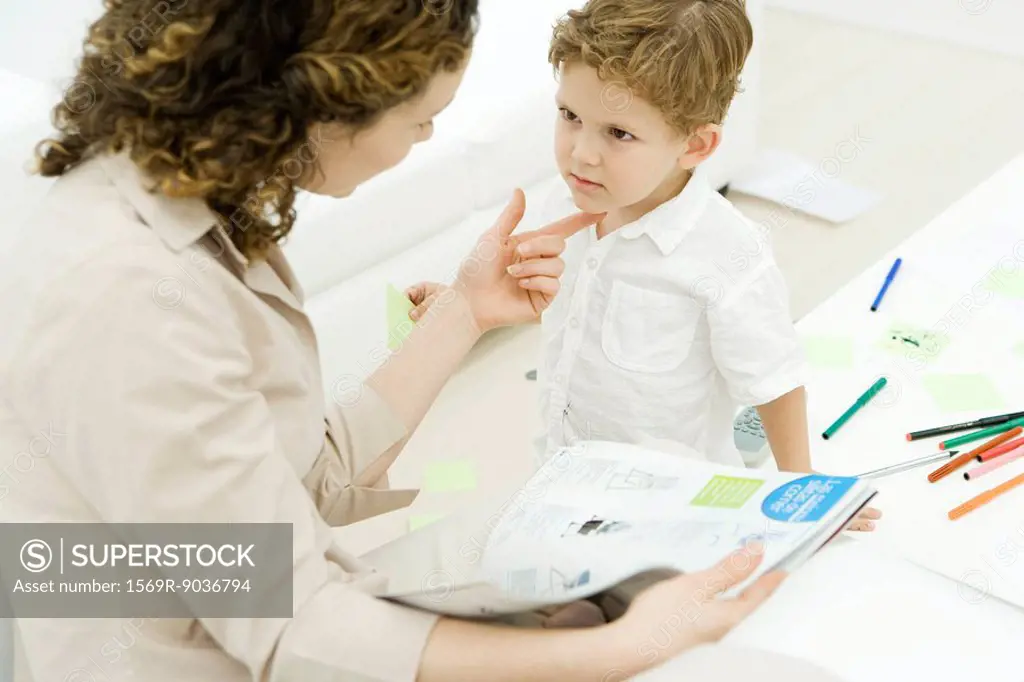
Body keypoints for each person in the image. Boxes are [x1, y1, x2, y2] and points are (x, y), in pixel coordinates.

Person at [0, 1, 846, 681]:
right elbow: (286, 623)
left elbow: (292, 481)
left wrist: (466, 313)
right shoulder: (130, 299)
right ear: (323, 102)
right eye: (421, 114)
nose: (432, 136)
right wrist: (621, 651)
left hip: (235, 602)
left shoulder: (187, 198)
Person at [525, 0, 880, 533]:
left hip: (671, 509)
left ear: (696, 144)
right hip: (562, 478)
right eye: (570, 117)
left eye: (618, 134)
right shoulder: (567, 205)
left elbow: (774, 382)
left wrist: (803, 492)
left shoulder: (725, 253)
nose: (580, 154)